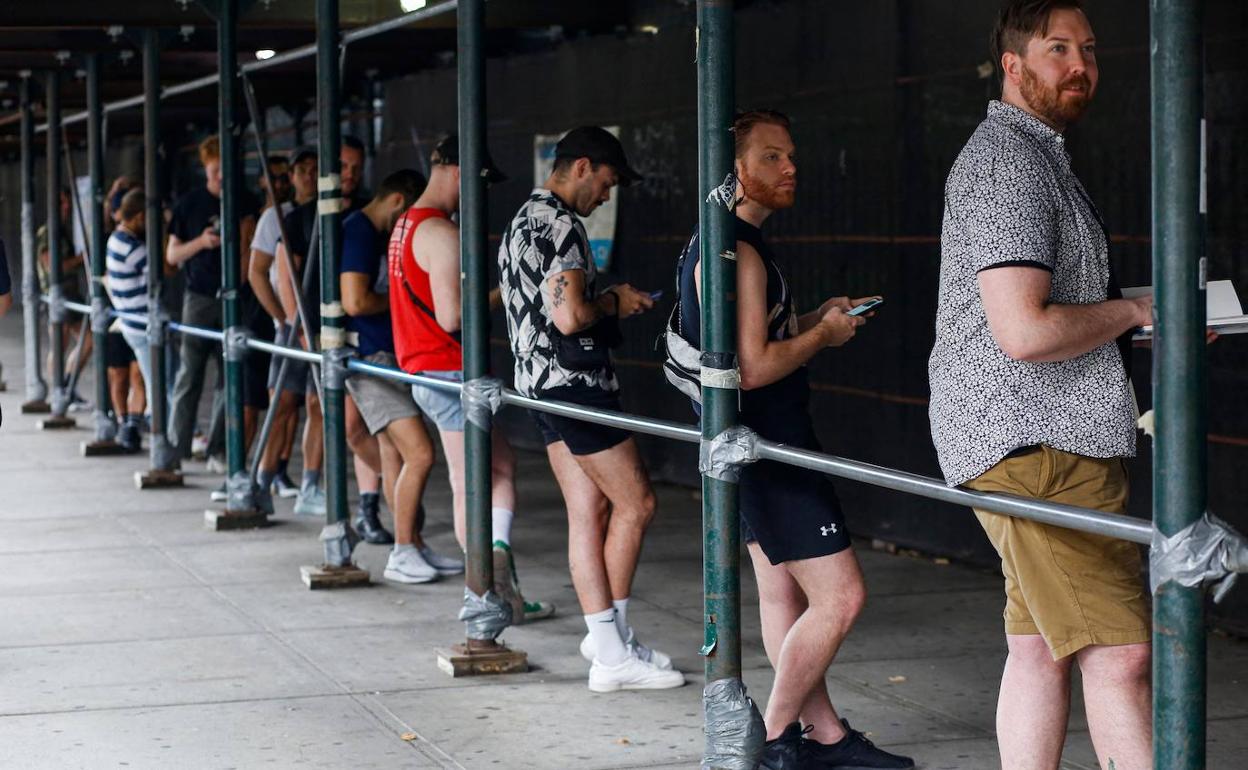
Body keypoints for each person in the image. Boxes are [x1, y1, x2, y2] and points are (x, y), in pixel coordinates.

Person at [927, 3, 1154, 768]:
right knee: (1120, 654)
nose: (1080, 63)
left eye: (1088, 48)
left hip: (1036, 437)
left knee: (1036, 648)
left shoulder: (1036, 156)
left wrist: (1132, 316)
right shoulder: (1009, 163)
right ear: (1014, 66)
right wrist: (1132, 310)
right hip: (1035, 442)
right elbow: (1023, 332)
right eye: (1058, 48)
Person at [675, 110, 912, 769]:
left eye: (791, 155)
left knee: (782, 592)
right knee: (842, 596)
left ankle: (826, 737)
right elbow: (750, 368)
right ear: (738, 173)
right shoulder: (736, 252)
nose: (790, 168)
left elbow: (750, 344)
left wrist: (813, 319)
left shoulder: (723, 243)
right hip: (766, 444)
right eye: (772, 157)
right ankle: (775, 739)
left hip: (753, 442)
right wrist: (824, 338)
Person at [498, 126, 681, 690]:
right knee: (637, 503)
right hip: (575, 388)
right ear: (581, 167)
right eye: (605, 183)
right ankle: (612, 652)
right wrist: (616, 301)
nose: (606, 197)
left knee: (589, 513)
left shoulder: (521, 220)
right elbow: (571, 317)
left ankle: (606, 641)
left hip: (536, 384)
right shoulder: (562, 225)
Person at [392, 135, 552, 620]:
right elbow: (451, 316)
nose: (477, 195)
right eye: (479, 182)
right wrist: (502, 294)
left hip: (427, 368)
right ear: (461, 172)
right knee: (472, 482)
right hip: (447, 368)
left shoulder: (404, 225)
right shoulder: (439, 232)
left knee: (494, 471)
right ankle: (486, 589)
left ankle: (495, 575)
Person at [338, 168, 449, 576]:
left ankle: (413, 545)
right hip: (371, 358)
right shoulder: (361, 231)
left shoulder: (370, 231)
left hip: (384, 355)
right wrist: (405, 298)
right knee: (420, 452)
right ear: (400, 201)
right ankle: (403, 550)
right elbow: (355, 300)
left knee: (395, 453)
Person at [258, 136, 368, 515]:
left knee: (319, 406)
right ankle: (261, 479)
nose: (350, 174)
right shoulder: (299, 217)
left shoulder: (365, 210)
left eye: (356, 167)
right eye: (344, 166)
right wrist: (298, 327)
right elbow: (285, 278)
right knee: (284, 403)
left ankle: (309, 484)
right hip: (300, 325)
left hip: (342, 327)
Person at [165, 135, 260, 468]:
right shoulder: (189, 204)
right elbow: (172, 255)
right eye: (216, 169)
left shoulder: (246, 201)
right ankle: (176, 449)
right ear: (205, 168)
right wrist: (202, 242)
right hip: (199, 297)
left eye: (227, 169)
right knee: (189, 375)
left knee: (229, 377)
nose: (222, 176)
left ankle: (219, 449)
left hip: (236, 296)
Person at [249, 148, 316, 500]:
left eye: (315, 170)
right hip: (290, 325)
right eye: (301, 170)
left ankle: (289, 474)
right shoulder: (275, 218)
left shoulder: (327, 212)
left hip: (316, 323)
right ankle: (264, 472)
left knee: (312, 406)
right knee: (283, 403)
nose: (308, 176)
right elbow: (257, 272)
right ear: (291, 176)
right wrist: (282, 316)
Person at [105, 188, 152, 452]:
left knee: (141, 376)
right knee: (132, 376)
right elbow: (164, 269)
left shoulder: (117, 240)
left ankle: (132, 427)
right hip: (134, 321)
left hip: (129, 320)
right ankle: (131, 425)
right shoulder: (132, 247)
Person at [37, 186, 91, 409]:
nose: (67, 207)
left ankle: (67, 385)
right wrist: (80, 259)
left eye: (68, 202)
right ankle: (59, 391)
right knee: (60, 344)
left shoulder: (63, 229)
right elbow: (51, 265)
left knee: (87, 340)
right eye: (62, 203)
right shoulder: (49, 231)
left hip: (70, 294)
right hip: (58, 294)